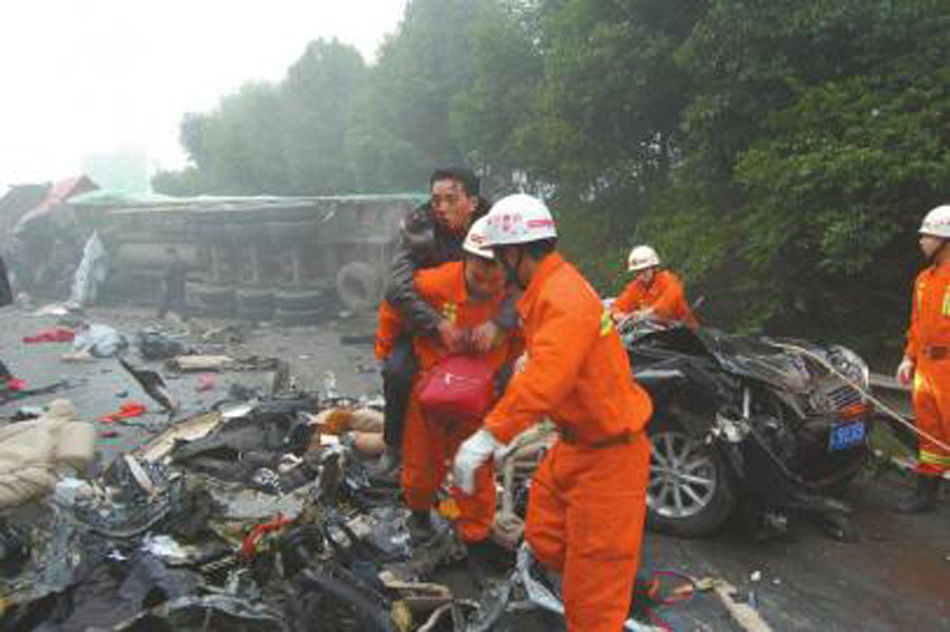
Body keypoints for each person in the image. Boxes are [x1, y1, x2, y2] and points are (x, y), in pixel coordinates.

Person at [453, 194, 654, 632]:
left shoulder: (562, 297)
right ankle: (608, 566)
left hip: (609, 460)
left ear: (513, 253)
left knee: (591, 608)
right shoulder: (549, 287)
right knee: (543, 538)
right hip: (574, 447)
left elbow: (545, 379)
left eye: (498, 259)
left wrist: (487, 437)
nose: (496, 272)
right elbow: (546, 360)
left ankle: (607, 578)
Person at [391, 216, 521, 554]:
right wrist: (427, 332)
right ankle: (419, 517)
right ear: (466, 259)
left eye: (496, 274)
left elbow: (522, 340)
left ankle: (475, 536)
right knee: (421, 465)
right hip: (431, 394)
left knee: (476, 470)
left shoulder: (513, 299)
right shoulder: (434, 283)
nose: (488, 282)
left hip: (479, 399)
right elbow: (396, 303)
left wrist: (500, 340)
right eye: (480, 273)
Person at [377, 168, 498, 477]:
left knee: (504, 376)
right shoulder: (419, 229)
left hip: (480, 320)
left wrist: (499, 324)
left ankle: (492, 442)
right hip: (425, 322)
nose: (441, 207)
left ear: (471, 202)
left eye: (450, 199)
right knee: (398, 373)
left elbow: (518, 284)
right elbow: (397, 288)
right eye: (436, 200)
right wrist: (437, 325)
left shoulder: (495, 227)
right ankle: (394, 446)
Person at [895, 203, 950, 513]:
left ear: (945, 239)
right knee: (929, 434)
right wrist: (908, 357)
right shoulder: (924, 279)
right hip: (927, 368)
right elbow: (918, 324)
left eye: (927, 235)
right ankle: (925, 494)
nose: (921, 241)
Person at [611, 245, 698, 329]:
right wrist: (617, 314)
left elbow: (671, 298)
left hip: (684, 331)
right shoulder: (635, 287)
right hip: (655, 333)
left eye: (644, 270)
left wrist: (649, 311)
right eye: (638, 272)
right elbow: (619, 304)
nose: (640, 276)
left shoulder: (667, 279)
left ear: (654, 268)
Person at [158, 247, 188, 321]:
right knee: (170, 302)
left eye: (169, 255)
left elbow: (168, 275)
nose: (167, 257)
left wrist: (164, 282)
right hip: (174, 286)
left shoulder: (177, 263)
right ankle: (161, 315)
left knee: (177, 301)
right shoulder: (173, 263)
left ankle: (183, 317)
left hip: (175, 286)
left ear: (173, 254)